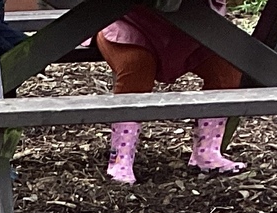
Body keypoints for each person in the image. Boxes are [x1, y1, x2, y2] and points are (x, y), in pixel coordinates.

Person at [98, 0, 248, 182]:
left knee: (227, 65)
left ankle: (207, 152)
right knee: (136, 66)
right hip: (129, 23)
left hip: (198, 27)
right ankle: (121, 157)